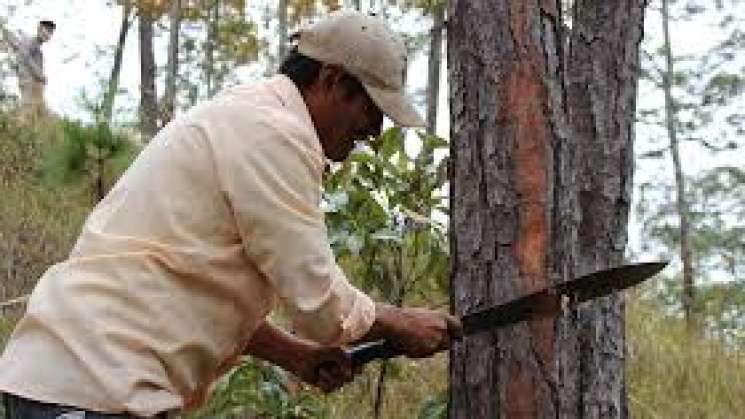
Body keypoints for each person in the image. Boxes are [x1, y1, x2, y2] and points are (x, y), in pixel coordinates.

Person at [0, 11, 461, 419]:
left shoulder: (248, 119)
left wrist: (294, 356)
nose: (376, 131)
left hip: (76, 380)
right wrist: (398, 322)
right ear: (331, 80)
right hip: (93, 386)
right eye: (373, 110)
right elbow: (321, 304)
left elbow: (191, 277)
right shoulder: (272, 136)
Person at [0, 18, 55, 123]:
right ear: (39, 28)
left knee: (35, 113)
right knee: (27, 113)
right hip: (29, 83)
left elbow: (17, 49)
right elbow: (25, 57)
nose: (48, 34)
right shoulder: (31, 42)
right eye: (46, 30)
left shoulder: (37, 48)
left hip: (32, 84)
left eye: (50, 32)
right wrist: (40, 74)